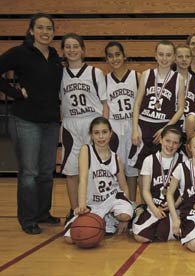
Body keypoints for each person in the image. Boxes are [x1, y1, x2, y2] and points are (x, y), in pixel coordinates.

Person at [0, 13, 62, 234]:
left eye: (49, 28)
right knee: (29, 172)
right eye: (41, 28)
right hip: (26, 120)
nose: (45, 32)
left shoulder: (54, 56)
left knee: (46, 171)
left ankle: (42, 213)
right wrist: (14, 93)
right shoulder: (20, 53)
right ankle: (27, 219)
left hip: (51, 121)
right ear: (31, 30)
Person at [59, 33, 108, 223]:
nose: (71, 50)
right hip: (71, 124)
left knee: (95, 169)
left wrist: (103, 128)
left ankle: (95, 208)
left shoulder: (95, 73)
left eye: (75, 46)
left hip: (92, 123)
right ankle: (74, 210)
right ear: (63, 51)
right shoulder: (60, 73)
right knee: (72, 171)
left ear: (82, 50)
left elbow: (105, 103)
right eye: (67, 47)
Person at [64, 117, 133, 243]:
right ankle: (105, 220)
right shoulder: (86, 150)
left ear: (111, 133)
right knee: (71, 238)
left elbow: (124, 186)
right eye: (96, 133)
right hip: (92, 203)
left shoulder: (116, 158)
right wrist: (82, 206)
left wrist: (125, 220)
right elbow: (83, 180)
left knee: (125, 214)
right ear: (91, 135)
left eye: (104, 132)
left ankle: (113, 218)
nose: (101, 137)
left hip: (112, 199)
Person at [129, 40, 185, 170]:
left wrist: (166, 129)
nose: (164, 58)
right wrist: (135, 129)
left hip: (163, 126)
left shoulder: (179, 79)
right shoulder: (146, 74)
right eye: (161, 54)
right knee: (142, 168)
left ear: (174, 57)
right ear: (155, 55)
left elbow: (181, 109)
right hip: (144, 125)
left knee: (161, 167)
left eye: (168, 55)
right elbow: (137, 103)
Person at [132, 126, 185, 243]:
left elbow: (186, 190)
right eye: (167, 141)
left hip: (175, 208)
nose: (170, 146)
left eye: (175, 143)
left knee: (176, 233)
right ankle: (141, 212)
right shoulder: (149, 160)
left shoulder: (184, 160)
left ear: (180, 144)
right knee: (140, 237)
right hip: (154, 207)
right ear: (160, 140)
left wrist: (175, 205)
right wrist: (154, 209)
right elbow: (145, 190)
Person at [105, 41, 140, 202]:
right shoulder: (104, 80)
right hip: (114, 128)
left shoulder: (136, 77)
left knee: (132, 171)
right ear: (107, 59)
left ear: (124, 56)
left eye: (117, 54)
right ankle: (117, 204)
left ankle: (132, 204)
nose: (115, 59)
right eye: (110, 56)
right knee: (115, 169)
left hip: (132, 126)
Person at [175, 45, 195, 121]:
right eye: (180, 57)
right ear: (174, 59)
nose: (184, 59)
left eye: (187, 56)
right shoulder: (169, 78)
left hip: (190, 123)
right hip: (171, 122)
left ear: (191, 59)